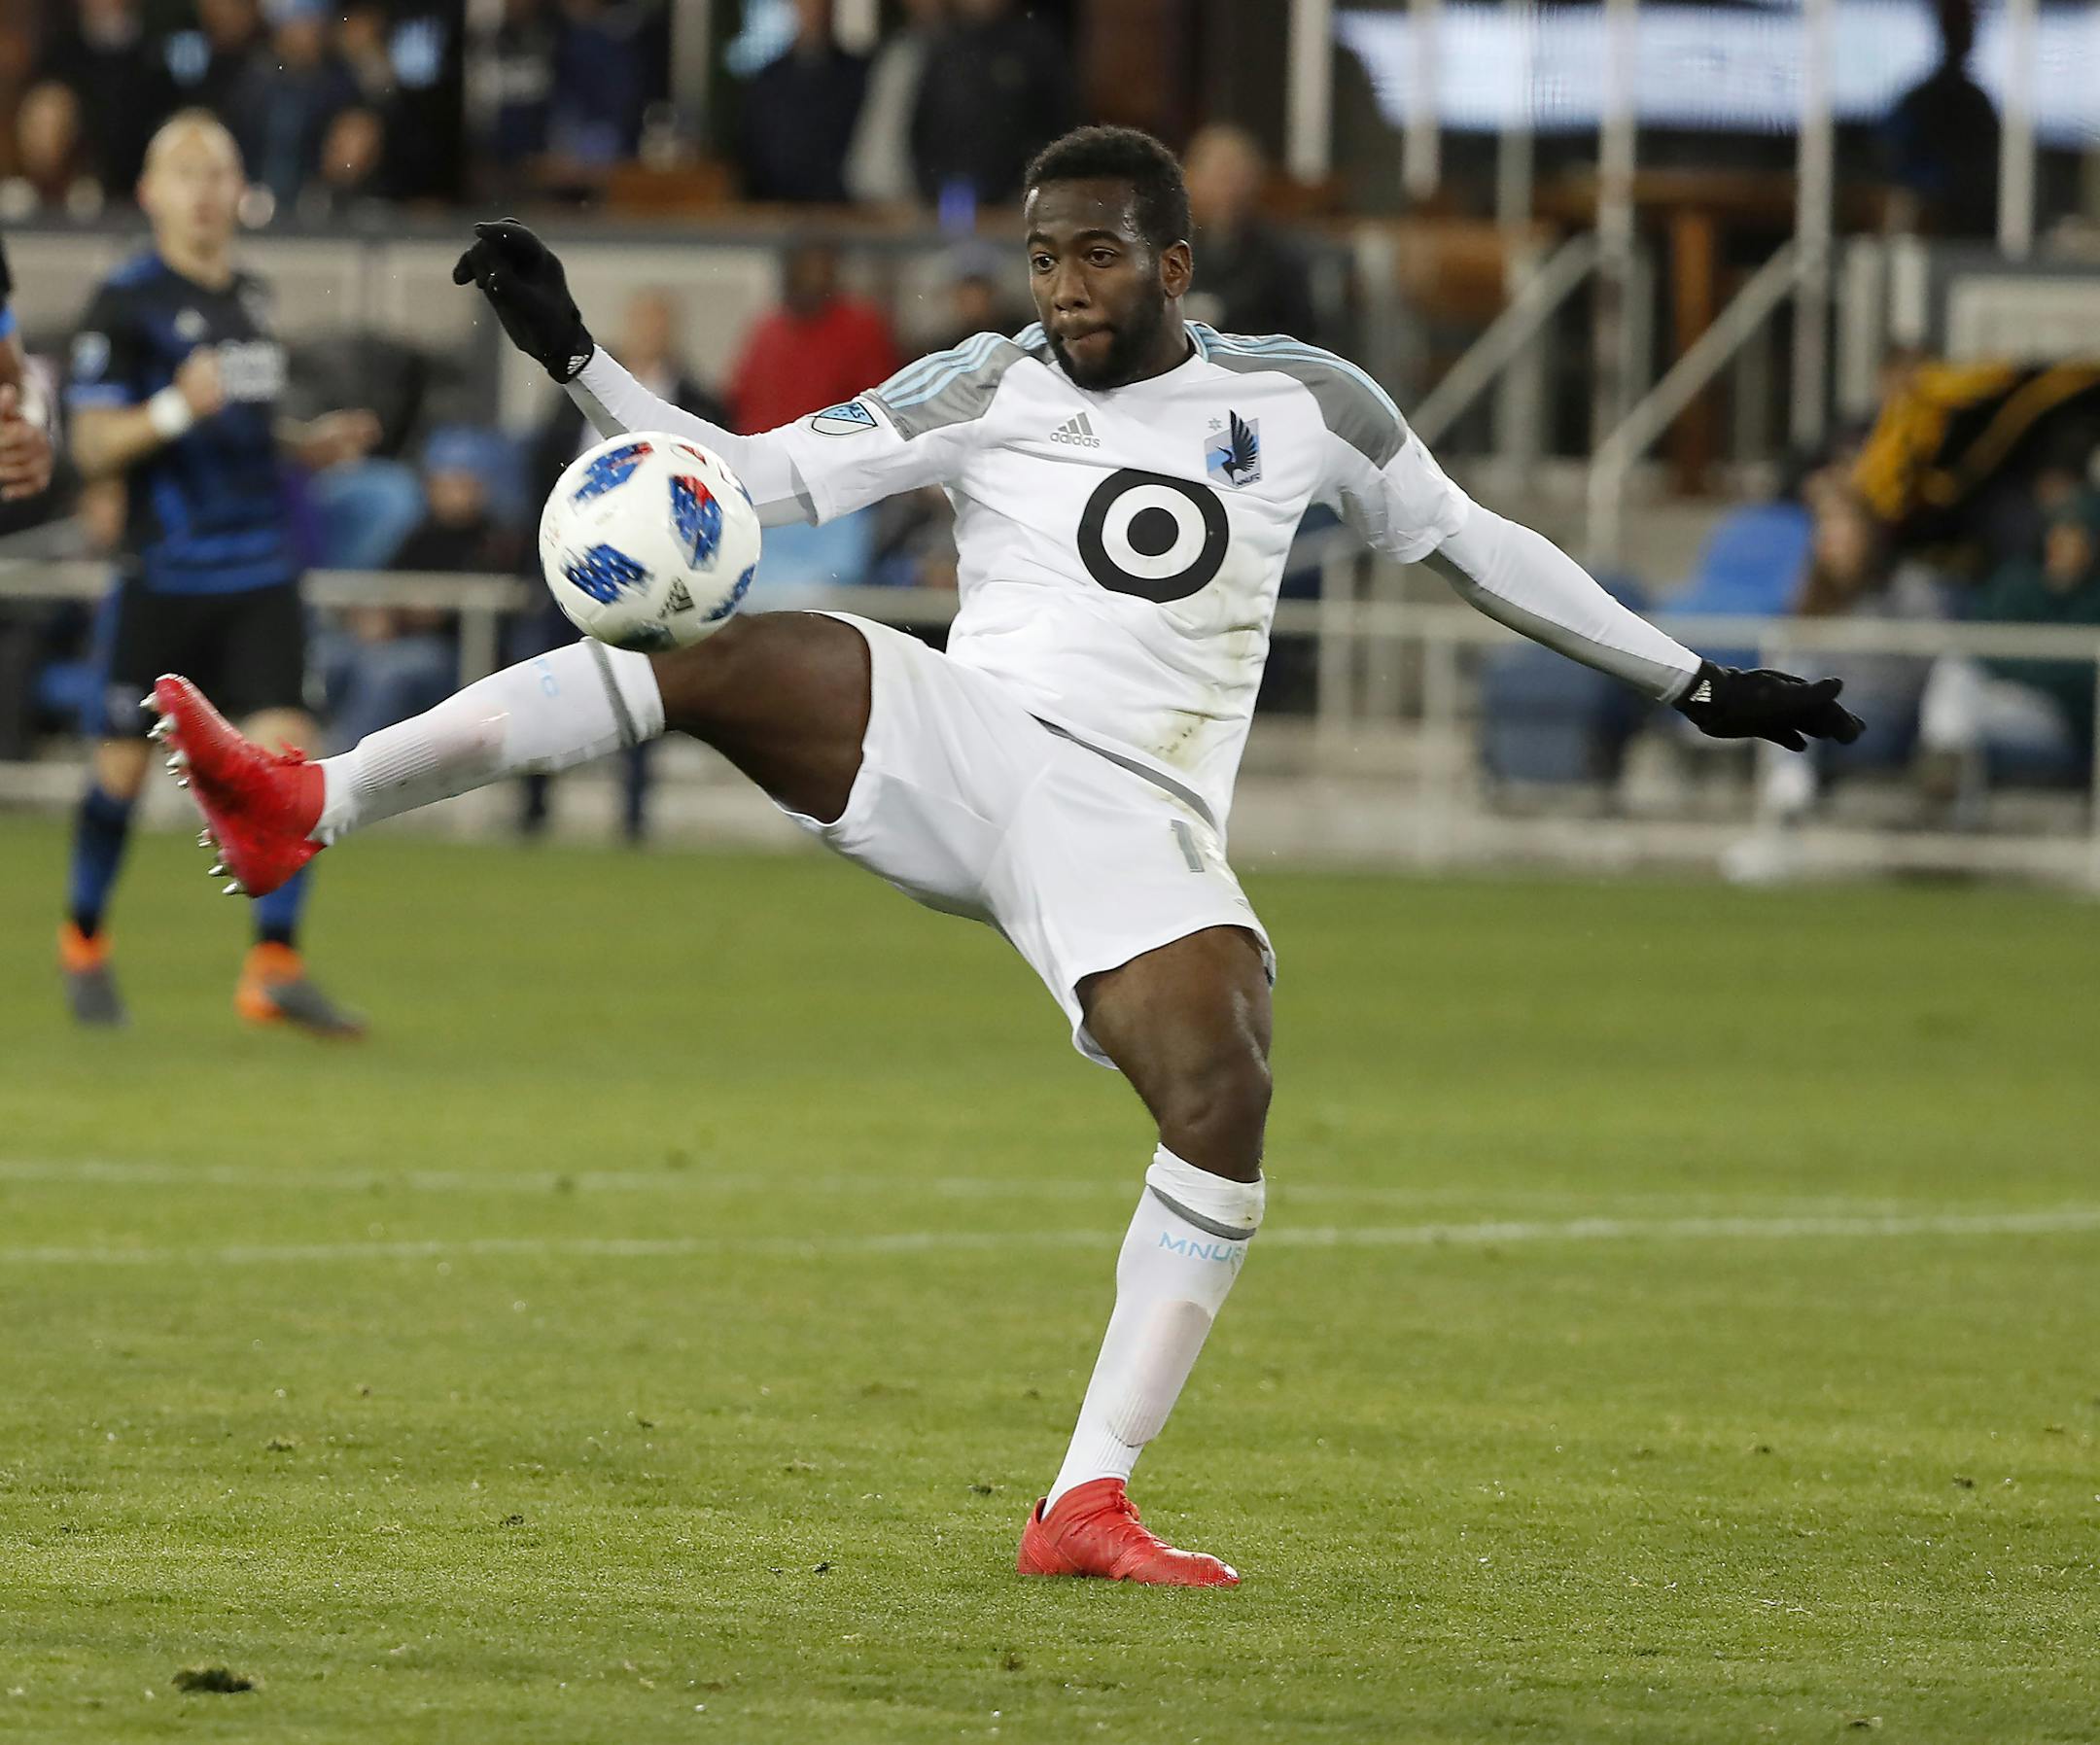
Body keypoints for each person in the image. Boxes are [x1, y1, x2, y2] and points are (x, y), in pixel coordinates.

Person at [149, 125, 1862, 1585]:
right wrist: (580, 359)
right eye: (1044, 256)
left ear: (1176, 259)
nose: (1063, 286)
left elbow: (1481, 549)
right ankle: (316, 801)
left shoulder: (1307, 403)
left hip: (1141, 818)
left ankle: (1084, 1495)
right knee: (724, 648)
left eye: (1098, 255)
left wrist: (1694, 676)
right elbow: (741, 481)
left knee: (1226, 1082)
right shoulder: (984, 386)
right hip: (970, 746)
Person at [59, 111, 375, 1035]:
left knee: (287, 766)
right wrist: (168, 409)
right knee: (118, 775)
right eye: (185, 172)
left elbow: (244, 427)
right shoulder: (124, 303)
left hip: (261, 574)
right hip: (164, 576)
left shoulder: (254, 299)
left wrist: (305, 447)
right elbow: (90, 443)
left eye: (220, 172)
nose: (205, 190)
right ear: (151, 193)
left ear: (242, 191)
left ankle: (273, 965)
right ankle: (83, 940)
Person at [909, 0, 1074, 208]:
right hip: (944, 197)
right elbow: (922, 127)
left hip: (1016, 202)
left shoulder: (1037, 47)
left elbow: (1059, 126)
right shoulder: (945, 48)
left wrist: (1031, 190)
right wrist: (928, 186)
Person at [725, 238, 899, 436]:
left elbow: (878, 407)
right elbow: (741, 400)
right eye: (803, 271)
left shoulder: (861, 327)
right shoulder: (768, 329)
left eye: (819, 271)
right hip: (767, 451)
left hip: (833, 453)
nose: (811, 280)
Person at [1180, 123, 1318, 344]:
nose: (1227, 188)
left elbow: (1302, 330)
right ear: (1191, 179)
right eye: (1216, 176)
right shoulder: (1171, 247)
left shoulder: (1281, 255)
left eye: (1234, 176)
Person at [1880, 0, 2000, 240]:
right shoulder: (1924, 100)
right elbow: (1889, 154)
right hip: (1934, 222)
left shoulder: (1973, 101)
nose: (1967, 36)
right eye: (1961, 27)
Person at [740, 0, 869, 205]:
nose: (814, 12)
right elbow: (753, 152)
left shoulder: (860, 75)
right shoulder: (769, 80)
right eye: (807, 4)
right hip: (777, 211)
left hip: (842, 212)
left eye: (821, 4)